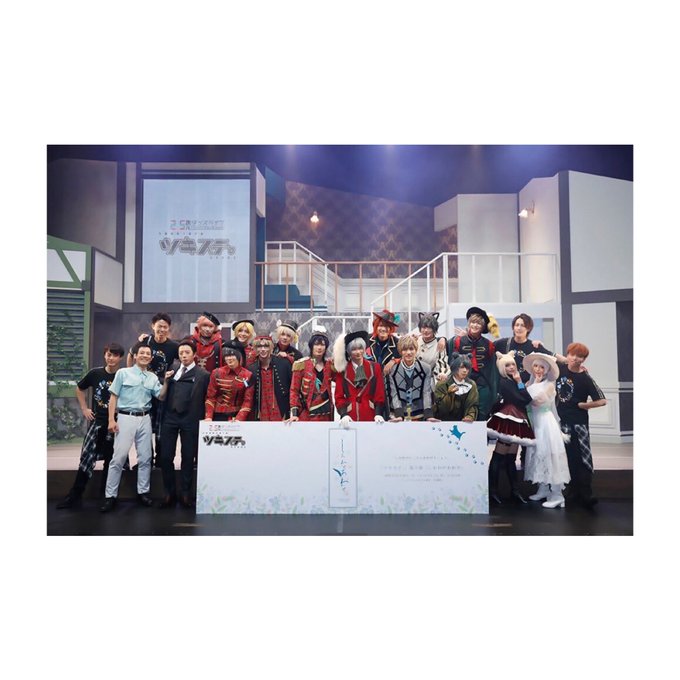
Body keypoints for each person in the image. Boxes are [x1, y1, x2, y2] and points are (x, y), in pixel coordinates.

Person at [55, 343, 125, 509]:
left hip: (117, 424)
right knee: (87, 458)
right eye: (108, 354)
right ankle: (75, 495)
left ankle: (106, 496)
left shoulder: (123, 375)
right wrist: (84, 408)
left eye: (115, 355)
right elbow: (79, 389)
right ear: (105, 355)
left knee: (111, 461)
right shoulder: (95, 373)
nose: (111, 358)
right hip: (98, 423)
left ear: (120, 358)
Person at [100, 342, 163, 512]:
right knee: (118, 458)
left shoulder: (152, 377)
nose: (144, 355)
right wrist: (111, 420)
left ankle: (143, 492)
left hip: (145, 418)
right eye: (141, 353)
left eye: (148, 354)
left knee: (145, 458)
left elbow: (161, 396)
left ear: (151, 358)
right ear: (135, 356)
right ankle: (110, 496)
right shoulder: (123, 373)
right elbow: (113, 397)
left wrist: (168, 381)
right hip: (125, 417)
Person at [156, 338, 210, 509]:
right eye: (181, 353)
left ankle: (185, 493)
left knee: (188, 457)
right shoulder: (172, 370)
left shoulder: (203, 375)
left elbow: (207, 398)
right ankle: (168, 493)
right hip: (170, 417)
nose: (184, 356)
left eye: (187, 352)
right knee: (166, 456)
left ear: (194, 355)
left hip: (190, 418)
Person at [556, 342, 607, 508]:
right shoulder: (559, 369)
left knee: (583, 458)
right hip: (562, 423)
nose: (575, 358)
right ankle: (572, 492)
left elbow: (602, 400)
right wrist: (537, 343)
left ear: (583, 359)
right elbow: (547, 356)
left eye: (579, 356)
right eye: (572, 354)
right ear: (568, 354)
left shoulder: (585, 378)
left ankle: (586, 493)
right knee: (569, 457)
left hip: (579, 424)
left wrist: (585, 405)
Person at [128, 312, 180, 467]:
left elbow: (183, 361)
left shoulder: (173, 346)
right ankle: (146, 459)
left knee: (160, 426)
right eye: (159, 326)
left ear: (169, 328)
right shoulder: (146, 341)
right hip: (143, 390)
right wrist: (131, 373)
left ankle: (160, 459)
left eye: (165, 327)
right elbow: (131, 354)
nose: (162, 330)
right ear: (153, 326)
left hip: (161, 390)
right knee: (144, 426)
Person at [486, 350, 535, 505]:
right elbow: (524, 400)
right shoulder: (505, 382)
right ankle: (492, 491)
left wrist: (519, 381)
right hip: (508, 419)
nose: (511, 367)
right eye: (507, 365)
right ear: (502, 367)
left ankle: (514, 491)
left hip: (517, 418)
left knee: (510, 458)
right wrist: (520, 382)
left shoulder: (513, 380)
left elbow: (526, 399)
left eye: (513, 364)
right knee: (499, 456)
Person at [522, 352, 571, 509]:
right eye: (535, 366)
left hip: (546, 423)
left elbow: (538, 402)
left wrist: (531, 387)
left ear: (547, 369)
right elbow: (522, 396)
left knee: (550, 455)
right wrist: (524, 385)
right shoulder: (529, 384)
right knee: (538, 453)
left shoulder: (549, 385)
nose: (538, 369)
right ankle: (543, 489)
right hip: (535, 423)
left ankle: (557, 495)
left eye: (541, 367)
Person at [447, 306, 499, 421]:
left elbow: (492, 368)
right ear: (469, 324)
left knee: (482, 410)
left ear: (483, 327)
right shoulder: (457, 341)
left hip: (482, 383)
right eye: (472, 322)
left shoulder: (489, 345)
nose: (475, 325)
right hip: (462, 381)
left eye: (478, 323)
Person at [333, 329, 386, 425]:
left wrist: (378, 413)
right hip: (350, 417)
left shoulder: (375, 368)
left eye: (360, 348)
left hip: (371, 415)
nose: (358, 352)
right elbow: (339, 396)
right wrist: (344, 414)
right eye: (354, 349)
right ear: (349, 351)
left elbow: (379, 393)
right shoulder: (342, 370)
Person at [494, 313, 565, 382]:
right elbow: (488, 348)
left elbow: (552, 355)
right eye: (517, 325)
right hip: (506, 385)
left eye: (522, 325)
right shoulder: (503, 343)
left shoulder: (534, 346)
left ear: (528, 328)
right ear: (513, 327)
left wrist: (567, 360)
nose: (519, 328)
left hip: (524, 386)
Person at [289, 326, 336, 422]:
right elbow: (294, 390)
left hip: (326, 415)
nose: (319, 348)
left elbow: (342, 382)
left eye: (322, 345)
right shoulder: (301, 365)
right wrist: (295, 413)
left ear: (326, 347)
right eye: (316, 344)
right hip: (307, 415)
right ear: (311, 346)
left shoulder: (330, 365)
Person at [387, 335, 437, 421]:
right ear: (400, 351)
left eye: (411, 349)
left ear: (416, 350)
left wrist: (428, 415)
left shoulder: (426, 368)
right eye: (405, 350)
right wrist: (399, 414)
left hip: (419, 414)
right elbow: (394, 393)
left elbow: (426, 392)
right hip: (397, 414)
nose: (408, 352)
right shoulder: (393, 370)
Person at [366, 309, 401, 420]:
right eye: (381, 325)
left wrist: (394, 361)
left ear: (391, 329)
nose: (383, 329)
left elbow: (407, 356)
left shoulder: (397, 342)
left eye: (387, 326)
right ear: (376, 326)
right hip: (369, 385)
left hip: (388, 388)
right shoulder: (367, 340)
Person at [247, 335, 292, 421]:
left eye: (266, 346)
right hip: (261, 414)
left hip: (282, 411)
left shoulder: (284, 364)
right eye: (259, 346)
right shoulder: (251, 369)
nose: (263, 349)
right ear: (255, 349)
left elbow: (293, 389)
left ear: (271, 348)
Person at [204, 347, 254, 421]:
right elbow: (211, 397)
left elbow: (248, 400)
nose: (229, 358)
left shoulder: (247, 375)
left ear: (239, 356)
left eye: (232, 355)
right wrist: (208, 416)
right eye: (227, 356)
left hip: (237, 415)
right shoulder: (217, 373)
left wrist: (239, 418)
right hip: (218, 415)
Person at [433, 352, 479, 422]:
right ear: (455, 367)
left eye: (467, 368)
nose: (465, 370)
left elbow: (472, 405)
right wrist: (449, 395)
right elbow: (440, 409)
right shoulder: (442, 384)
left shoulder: (471, 385)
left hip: (464, 423)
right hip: (443, 422)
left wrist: (470, 416)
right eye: (461, 367)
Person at [415, 312, 450, 386]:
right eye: (423, 327)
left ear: (434, 329)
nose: (426, 330)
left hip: (429, 382)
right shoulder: (416, 340)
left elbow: (442, 363)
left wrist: (442, 373)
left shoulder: (439, 344)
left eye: (429, 328)